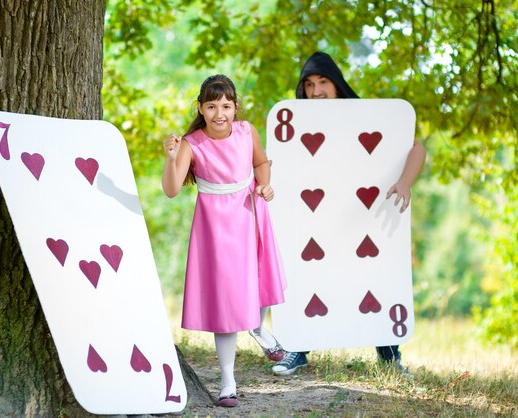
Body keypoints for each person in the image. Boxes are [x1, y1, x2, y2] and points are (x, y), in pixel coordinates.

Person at [271, 51, 426, 377]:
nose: (316, 91)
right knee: (309, 280)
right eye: (309, 85)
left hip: (368, 217)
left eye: (323, 82)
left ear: (337, 83)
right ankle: (297, 350)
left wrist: (405, 182)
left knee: (375, 279)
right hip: (318, 219)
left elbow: (417, 147)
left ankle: (390, 357)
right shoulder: (296, 124)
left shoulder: (370, 115)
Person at [162, 74, 287, 407]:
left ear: (235, 107)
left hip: (250, 211)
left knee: (263, 278)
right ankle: (228, 382)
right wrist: (171, 157)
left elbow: (260, 163)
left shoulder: (247, 132)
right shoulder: (192, 143)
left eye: (227, 106)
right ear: (200, 108)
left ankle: (259, 329)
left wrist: (264, 185)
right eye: (212, 106)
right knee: (226, 300)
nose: (220, 113)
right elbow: (172, 189)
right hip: (216, 224)